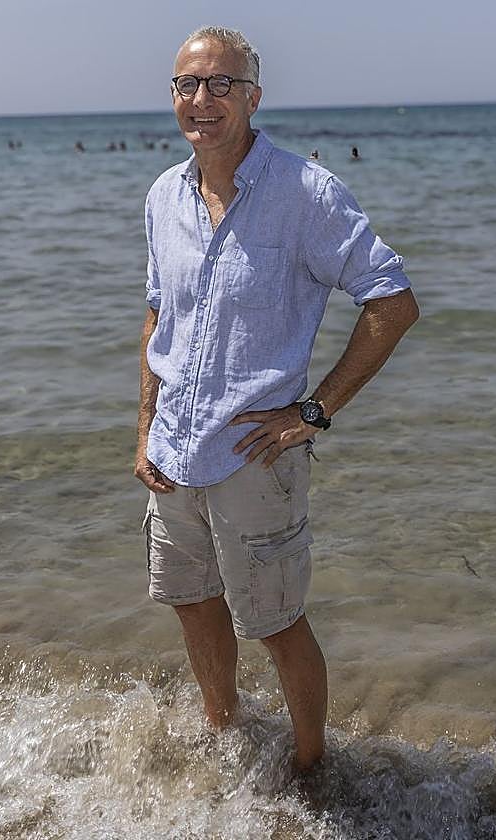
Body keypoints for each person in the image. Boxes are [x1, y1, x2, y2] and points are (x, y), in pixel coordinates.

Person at [136, 26, 419, 776]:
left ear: (253, 97)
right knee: (193, 604)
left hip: (254, 459)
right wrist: (143, 432)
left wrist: (314, 410)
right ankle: (221, 733)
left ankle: (311, 765)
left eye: (220, 85)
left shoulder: (307, 194)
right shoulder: (164, 195)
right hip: (172, 451)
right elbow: (159, 316)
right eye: (187, 86)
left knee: (276, 622)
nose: (202, 100)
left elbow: (392, 299)